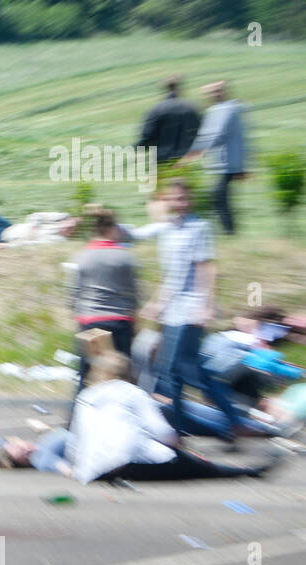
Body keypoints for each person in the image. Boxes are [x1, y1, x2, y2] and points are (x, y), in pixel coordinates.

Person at [68, 352, 277, 484]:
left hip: (91, 469)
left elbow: (75, 439)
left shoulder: (84, 397)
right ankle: (248, 472)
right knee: (198, 468)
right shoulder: (131, 391)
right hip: (127, 462)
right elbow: (163, 432)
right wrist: (180, 447)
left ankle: (244, 471)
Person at [142, 178, 241, 443]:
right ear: (168, 201)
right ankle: (232, 421)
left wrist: (205, 305)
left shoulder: (199, 227)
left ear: (190, 199)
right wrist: (157, 302)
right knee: (194, 370)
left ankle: (178, 430)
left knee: (170, 369)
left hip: (191, 309)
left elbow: (206, 267)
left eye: (183, 198)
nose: (180, 203)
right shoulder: (167, 231)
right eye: (175, 199)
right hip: (173, 308)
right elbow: (172, 274)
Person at [68, 206, 139, 393]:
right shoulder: (125, 256)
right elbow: (133, 295)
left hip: (89, 322)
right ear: (113, 228)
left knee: (87, 375)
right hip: (119, 322)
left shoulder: (82, 256)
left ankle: (77, 420)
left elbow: (73, 293)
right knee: (123, 377)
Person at [183, 80, 248, 235]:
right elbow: (207, 135)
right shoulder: (215, 110)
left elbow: (217, 136)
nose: (215, 94)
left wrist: (194, 153)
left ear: (224, 91)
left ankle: (229, 233)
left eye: (218, 90)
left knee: (218, 197)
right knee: (219, 198)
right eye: (212, 92)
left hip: (228, 163)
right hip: (219, 163)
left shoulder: (229, 109)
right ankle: (226, 232)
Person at [137, 75, 201, 163]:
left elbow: (147, 135)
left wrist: (139, 149)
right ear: (179, 88)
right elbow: (201, 132)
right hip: (186, 159)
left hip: (163, 160)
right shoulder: (191, 107)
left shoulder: (156, 109)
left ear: (164, 90)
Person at [0, 205, 79, 246]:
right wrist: (33, 229)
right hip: (6, 227)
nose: (67, 227)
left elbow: (30, 245)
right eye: (69, 223)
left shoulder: (58, 240)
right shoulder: (58, 219)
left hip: (1, 240)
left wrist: (6, 247)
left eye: (71, 229)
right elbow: (35, 215)